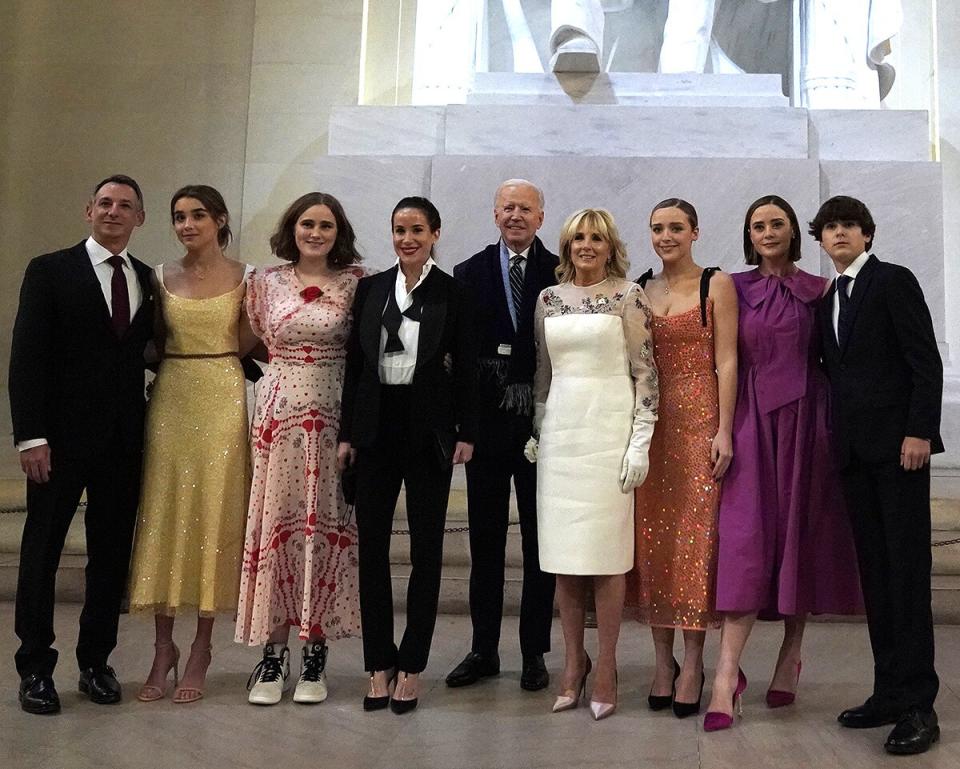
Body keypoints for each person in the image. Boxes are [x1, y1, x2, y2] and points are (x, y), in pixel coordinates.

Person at [702, 195, 863, 732]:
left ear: (795, 231)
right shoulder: (732, 286)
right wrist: (722, 429)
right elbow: (723, 359)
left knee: (800, 538)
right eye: (758, 225)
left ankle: (791, 651)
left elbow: (839, 362)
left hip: (808, 426)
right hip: (749, 422)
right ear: (749, 234)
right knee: (745, 542)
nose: (768, 231)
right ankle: (726, 675)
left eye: (777, 223)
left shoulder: (820, 290)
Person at [9, 175, 153, 714]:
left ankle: (95, 662)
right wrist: (32, 437)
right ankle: (35, 669)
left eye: (126, 206)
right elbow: (27, 360)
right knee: (42, 552)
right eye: (105, 203)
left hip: (123, 444)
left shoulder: (145, 278)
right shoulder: (51, 270)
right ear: (87, 209)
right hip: (58, 443)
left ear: (139, 219)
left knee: (110, 558)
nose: (114, 212)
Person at [812, 195, 943, 755]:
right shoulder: (827, 301)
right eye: (830, 227)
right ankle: (888, 690)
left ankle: (919, 704)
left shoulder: (892, 280)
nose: (839, 233)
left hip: (898, 453)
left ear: (867, 234)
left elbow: (924, 361)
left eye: (849, 225)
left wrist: (919, 432)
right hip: (854, 457)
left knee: (907, 577)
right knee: (877, 578)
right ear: (820, 239)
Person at [338, 196, 479, 714]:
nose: (407, 238)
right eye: (399, 229)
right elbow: (356, 367)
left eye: (417, 229)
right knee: (371, 548)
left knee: (426, 551)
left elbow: (466, 368)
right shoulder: (371, 289)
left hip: (428, 433)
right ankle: (378, 661)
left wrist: (468, 431)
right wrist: (347, 434)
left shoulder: (454, 292)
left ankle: (413, 664)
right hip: (376, 429)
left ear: (435, 233)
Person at [128, 184, 257, 704]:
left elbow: (250, 340)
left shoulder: (248, 277)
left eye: (197, 215)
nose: (186, 224)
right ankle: (163, 647)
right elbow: (151, 342)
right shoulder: (158, 276)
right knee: (162, 511)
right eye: (178, 216)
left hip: (223, 393)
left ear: (220, 219)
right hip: (172, 396)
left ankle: (201, 647)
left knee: (214, 513)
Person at [236, 193, 364, 706]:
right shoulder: (263, 283)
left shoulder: (358, 282)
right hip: (279, 417)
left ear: (339, 232)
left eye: (326, 225)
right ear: (292, 228)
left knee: (323, 529)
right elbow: (245, 343)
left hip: (333, 415)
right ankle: (273, 656)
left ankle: (315, 654)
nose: (315, 233)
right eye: (307, 223)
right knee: (278, 527)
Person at [534, 208, 658, 720]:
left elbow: (645, 373)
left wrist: (639, 443)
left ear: (610, 246)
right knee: (564, 561)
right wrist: (538, 432)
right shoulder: (548, 299)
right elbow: (543, 374)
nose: (587, 245)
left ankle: (605, 665)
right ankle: (571, 664)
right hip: (562, 437)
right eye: (578, 237)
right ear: (567, 245)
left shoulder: (629, 296)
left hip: (609, 433)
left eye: (597, 238)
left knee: (607, 559)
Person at [446, 180, 558, 692]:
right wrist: (463, 428)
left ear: (540, 216)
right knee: (485, 542)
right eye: (507, 207)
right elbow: (461, 362)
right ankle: (483, 649)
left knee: (540, 543)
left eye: (525, 209)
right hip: (487, 429)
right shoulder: (467, 273)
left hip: (543, 425)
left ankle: (534, 651)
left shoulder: (560, 270)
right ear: (494, 214)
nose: (516, 215)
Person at [627, 198, 737, 719]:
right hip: (650, 425)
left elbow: (729, 360)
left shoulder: (715, 283)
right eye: (657, 228)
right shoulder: (640, 288)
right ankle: (661, 660)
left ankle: (694, 661)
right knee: (653, 541)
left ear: (695, 231)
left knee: (696, 540)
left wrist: (725, 430)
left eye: (676, 227)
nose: (666, 236)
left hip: (699, 423)